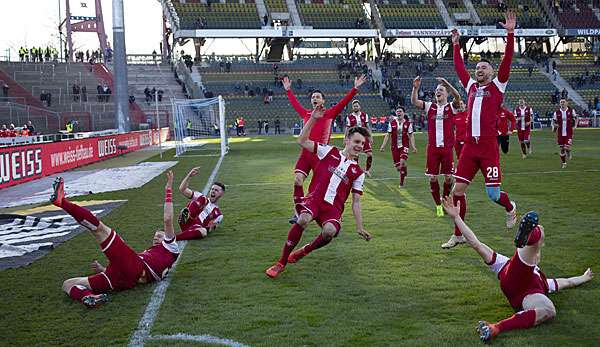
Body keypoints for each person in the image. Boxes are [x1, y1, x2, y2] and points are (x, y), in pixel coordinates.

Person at [441, 196, 594, 343]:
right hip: (519, 286)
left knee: (549, 309)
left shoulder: (542, 282)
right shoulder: (542, 281)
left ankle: (495, 328)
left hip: (516, 283)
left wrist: (584, 277)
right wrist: (456, 218)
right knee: (547, 306)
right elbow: (566, 282)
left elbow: (476, 244)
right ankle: (532, 236)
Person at [265, 106, 372, 278]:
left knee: (329, 232)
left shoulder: (358, 172)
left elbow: (356, 202)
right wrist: (313, 119)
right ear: (346, 140)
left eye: (362, 143)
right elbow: (302, 141)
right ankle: (281, 262)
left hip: (333, 209)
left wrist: (360, 227)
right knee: (303, 219)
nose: (359, 146)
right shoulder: (329, 151)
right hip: (315, 199)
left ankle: (304, 251)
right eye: (356, 141)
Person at [54, 172, 180, 308]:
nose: (156, 237)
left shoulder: (171, 246)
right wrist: (103, 269)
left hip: (134, 268)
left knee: (100, 229)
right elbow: (127, 270)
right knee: (67, 284)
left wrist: (168, 189)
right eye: (155, 235)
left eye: (160, 235)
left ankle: (63, 202)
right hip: (125, 279)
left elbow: (167, 219)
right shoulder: (155, 253)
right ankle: (88, 297)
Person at [449, 11, 518, 250]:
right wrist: (456, 45)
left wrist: (510, 33)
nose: (479, 70)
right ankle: (458, 234)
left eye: (484, 67)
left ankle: (510, 208)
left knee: (493, 195)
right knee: (457, 191)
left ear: (492, 72)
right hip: (469, 146)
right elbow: (459, 68)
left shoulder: (498, 85)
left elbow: (508, 59)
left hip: (488, 146)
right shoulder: (470, 87)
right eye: (477, 67)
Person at [283, 74, 367, 224]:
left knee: (316, 187)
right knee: (297, 180)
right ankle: (298, 211)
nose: (315, 99)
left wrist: (355, 88)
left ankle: (317, 212)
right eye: (313, 97)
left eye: (318, 97)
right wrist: (288, 90)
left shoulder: (330, 114)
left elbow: (343, 102)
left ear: (323, 100)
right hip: (305, 153)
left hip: (321, 156)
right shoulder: (306, 113)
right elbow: (294, 103)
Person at [411, 76, 461, 217]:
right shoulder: (430, 106)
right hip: (433, 148)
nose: (437, 92)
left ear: (446, 93)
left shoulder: (451, 107)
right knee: (432, 178)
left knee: (449, 178)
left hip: (447, 149)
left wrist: (447, 83)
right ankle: (438, 206)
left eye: (441, 90)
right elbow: (414, 101)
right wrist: (415, 88)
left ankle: (444, 202)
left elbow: (457, 97)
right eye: (436, 90)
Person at [176, 167, 225, 240]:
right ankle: (185, 217)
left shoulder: (219, 215)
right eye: (212, 189)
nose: (213, 191)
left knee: (204, 232)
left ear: (222, 194)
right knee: (202, 198)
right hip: (189, 219)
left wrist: (207, 227)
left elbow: (210, 228)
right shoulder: (201, 198)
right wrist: (189, 176)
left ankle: (174, 238)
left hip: (197, 227)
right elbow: (182, 189)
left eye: (216, 190)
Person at [380, 107, 416, 187]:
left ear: (404, 113)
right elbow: (388, 135)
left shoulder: (408, 124)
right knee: (398, 168)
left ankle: (401, 183)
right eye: (397, 111)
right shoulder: (392, 123)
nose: (399, 113)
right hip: (394, 147)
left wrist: (413, 147)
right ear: (396, 113)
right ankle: (404, 170)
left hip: (404, 146)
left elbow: (411, 135)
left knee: (402, 162)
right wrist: (383, 146)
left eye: (400, 111)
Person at [345, 100, 374, 177]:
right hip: (355, 139)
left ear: (359, 107)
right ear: (352, 108)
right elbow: (347, 129)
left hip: (364, 138)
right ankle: (356, 171)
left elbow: (368, 127)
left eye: (357, 106)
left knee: (369, 154)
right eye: (354, 106)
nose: (356, 107)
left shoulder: (365, 115)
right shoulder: (349, 117)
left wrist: (370, 136)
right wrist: (346, 138)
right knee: (355, 155)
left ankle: (367, 170)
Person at [552, 99, 578, 168]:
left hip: (569, 132)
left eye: (563, 102)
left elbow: (576, 118)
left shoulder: (571, 111)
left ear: (567, 103)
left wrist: (575, 126)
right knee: (562, 149)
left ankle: (568, 152)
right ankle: (564, 163)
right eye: (561, 102)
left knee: (566, 147)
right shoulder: (556, 113)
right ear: (559, 103)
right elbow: (554, 122)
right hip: (560, 133)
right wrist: (554, 127)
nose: (562, 103)